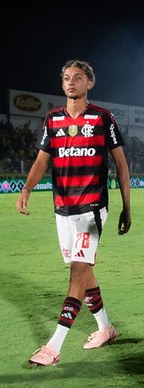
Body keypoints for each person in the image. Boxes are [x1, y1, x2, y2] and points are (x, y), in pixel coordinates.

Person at [16, 59, 131, 366]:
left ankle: (54, 347)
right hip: (62, 209)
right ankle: (106, 328)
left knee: (77, 272)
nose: (70, 82)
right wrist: (27, 188)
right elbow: (42, 161)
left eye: (77, 78)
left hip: (92, 208)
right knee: (85, 272)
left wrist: (126, 207)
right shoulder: (52, 120)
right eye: (66, 78)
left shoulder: (103, 118)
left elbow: (121, 163)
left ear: (89, 83)